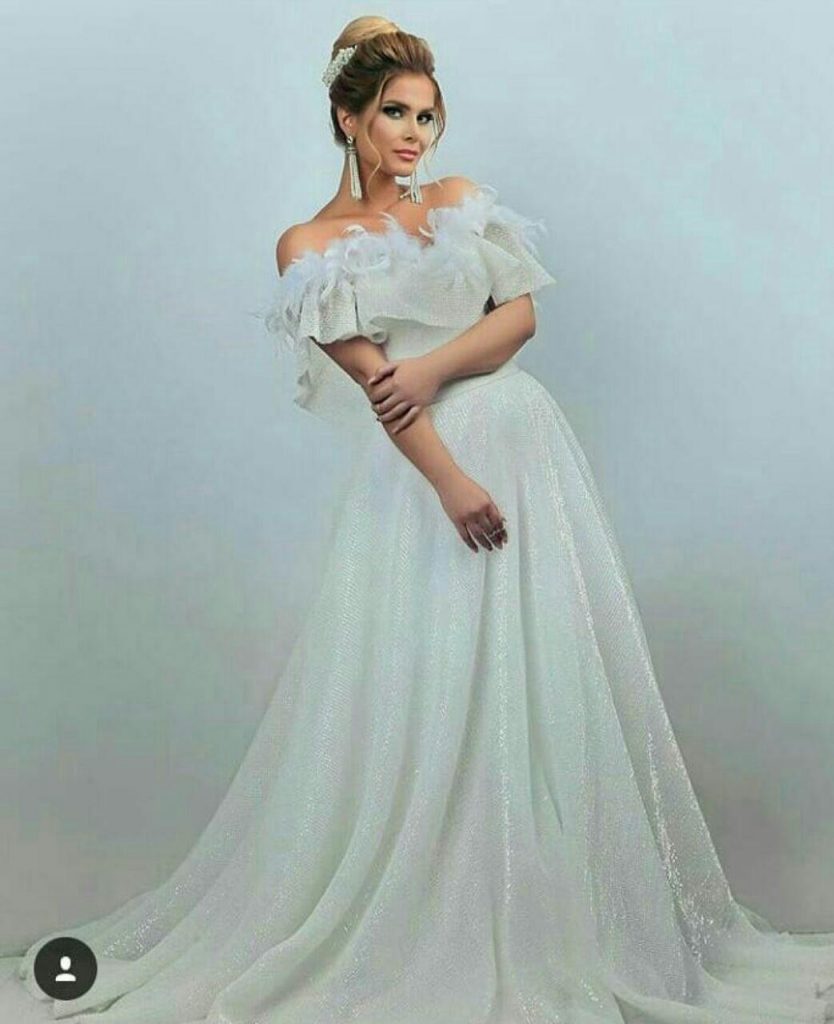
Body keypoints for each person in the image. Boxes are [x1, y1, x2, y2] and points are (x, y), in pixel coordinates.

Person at [5, 15, 834, 1024]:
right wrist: (449, 482)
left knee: (538, 668)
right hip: (429, 476)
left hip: (527, 450)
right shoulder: (310, 245)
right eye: (395, 114)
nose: (414, 134)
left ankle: (550, 913)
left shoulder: (460, 204)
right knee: (436, 681)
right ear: (347, 119)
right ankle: (434, 914)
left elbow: (519, 317)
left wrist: (432, 366)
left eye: (428, 117)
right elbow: (375, 389)